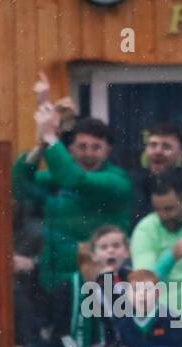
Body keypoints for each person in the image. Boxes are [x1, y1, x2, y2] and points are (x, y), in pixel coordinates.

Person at [13, 110, 133, 290]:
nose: (89, 154)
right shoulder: (57, 179)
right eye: (82, 147)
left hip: (101, 281)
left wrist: (52, 139)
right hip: (55, 280)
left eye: (96, 147)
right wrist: (41, 146)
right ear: (70, 150)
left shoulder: (117, 182)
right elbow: (20, 185)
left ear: (108, 151)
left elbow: (77, 180)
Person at [128, 169, 182, 337]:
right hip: (164, 329)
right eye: (158, 209)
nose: (163, 216)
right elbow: (143, 284)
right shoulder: (146, 230)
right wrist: (171, 257)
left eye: (170, 209)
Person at [44, 224, 130, 347]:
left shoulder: (132, 281)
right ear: (93, 255)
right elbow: (60, 333)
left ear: (127, 252)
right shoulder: (69, 287)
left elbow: (124, 323)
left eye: (116, 246)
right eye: (103, 247)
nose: (111, 251)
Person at [133, 121, 182, 221]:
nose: (158, 151)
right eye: (153, 145)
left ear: (181, 154)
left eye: (166, 146)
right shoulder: (133, 187)